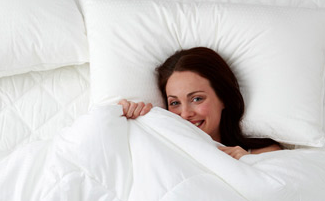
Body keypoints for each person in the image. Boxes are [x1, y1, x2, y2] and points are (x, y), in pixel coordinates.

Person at [118, 47, 281, 160]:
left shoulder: (262, 154)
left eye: (197, 99)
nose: (185, 114)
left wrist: (248, 163)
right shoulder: (163, 149)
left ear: (223, 97)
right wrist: (129, 120)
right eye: (175, 102)